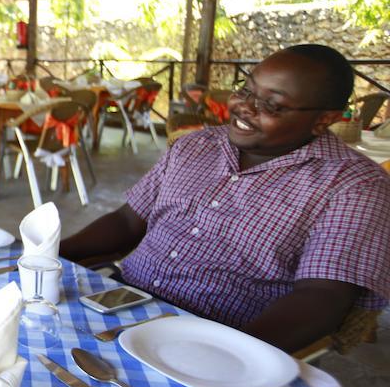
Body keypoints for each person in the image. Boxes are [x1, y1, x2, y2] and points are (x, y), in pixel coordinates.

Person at [60, 45, 390, 353]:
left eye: (272, 104)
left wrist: (229, 356)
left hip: (217, 335)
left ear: (324, 120)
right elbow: (127, 220)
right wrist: (45, 252)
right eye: (246, 90)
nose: (244, 106)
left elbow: (322, 297)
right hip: (120, 299)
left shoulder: (353, 187)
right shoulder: (196, 146)